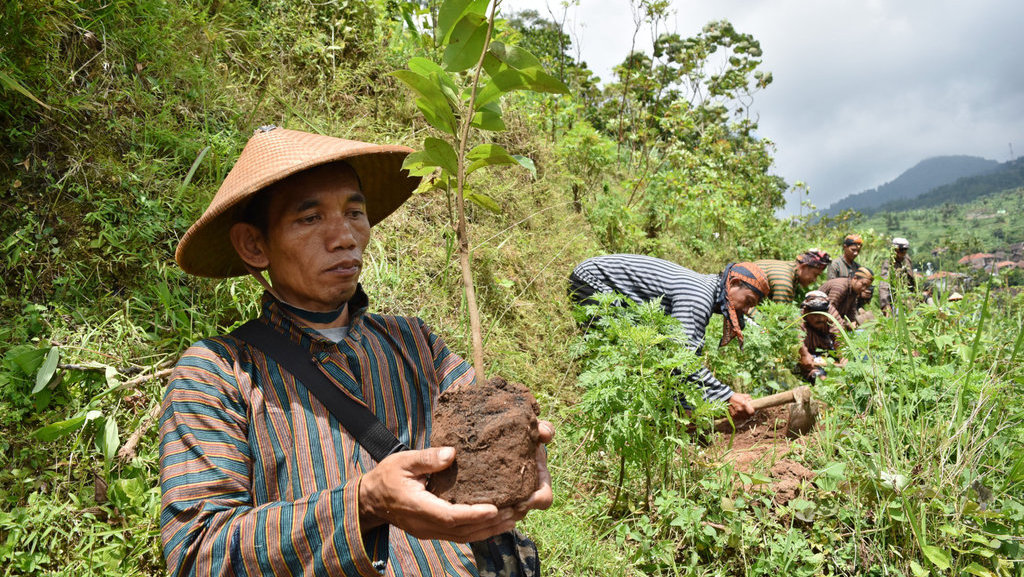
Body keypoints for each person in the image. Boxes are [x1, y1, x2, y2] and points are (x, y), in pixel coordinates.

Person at [158, 126, 553, 577]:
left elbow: (489, 424)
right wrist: (363, 503)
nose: (343, 236)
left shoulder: (414, 343)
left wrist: (524, 445)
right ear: (254, 244)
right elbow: (197, 554)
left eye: (354, 212)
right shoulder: (217, 373)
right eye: (310, 219)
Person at [568, 254, 770, 417]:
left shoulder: (705, 290)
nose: (746, 310)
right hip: (593, 280)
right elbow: (682, 360)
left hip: (603, 282)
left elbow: (681, 354)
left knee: (654, 347)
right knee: (618, 352)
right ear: (733, 283)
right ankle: (596, 411)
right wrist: (728, 396)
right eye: (748, 301)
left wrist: (683, 407)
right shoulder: (699, 296)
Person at [796, 291, 846, 382]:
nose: (819, 318)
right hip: (807, 352)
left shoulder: (832, 314)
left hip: (825, 350)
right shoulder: (798, 317)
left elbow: (839, 339)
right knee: (818, 376)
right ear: (806, 311)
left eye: (822, 314)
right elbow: (796, 339)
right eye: (815, 314)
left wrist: (844, 359)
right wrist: (804, 355)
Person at [754, 249, 831, 304]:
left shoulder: (789, 270)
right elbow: (781, 314)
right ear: (803, 267)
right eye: (815, 274)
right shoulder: (785, 280)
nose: (814, 280)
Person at [879, 237, 916, 316]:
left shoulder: (907, 260)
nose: (901, 254)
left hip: (908, 296)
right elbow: (883, 284)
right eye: (899, 251)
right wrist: (885, 304)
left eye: (904, 251)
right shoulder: (888, 264)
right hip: (894, 298)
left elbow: (911, 280)